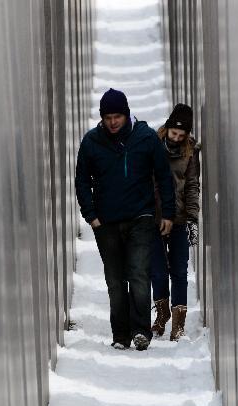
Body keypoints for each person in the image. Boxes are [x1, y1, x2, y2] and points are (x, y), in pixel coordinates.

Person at [75, 88, 175, 351]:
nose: (112, 122)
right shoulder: (91, 142)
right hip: (106, 223)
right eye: (108, 117)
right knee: (116, 280)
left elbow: (164, 176)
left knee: (139, 274)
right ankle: (120, 334)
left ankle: (141, 331)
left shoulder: (145, 138)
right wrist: (92, 216)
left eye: (117, 116)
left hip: (140, 217)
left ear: (126, 114)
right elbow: (82, 181)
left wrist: (167, 213)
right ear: (102, 117)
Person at [150, 103, 200, 341]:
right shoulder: (153, 146)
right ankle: (161, 316)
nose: (176, 138)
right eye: (174, 133)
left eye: (181, 135)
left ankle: (178, 324)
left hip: (179, 219)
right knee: (158, 271)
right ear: (167, 128)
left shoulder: (190, 153)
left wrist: (192, 218)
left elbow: (192, 185)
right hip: (155, 218)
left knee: (179, 271)